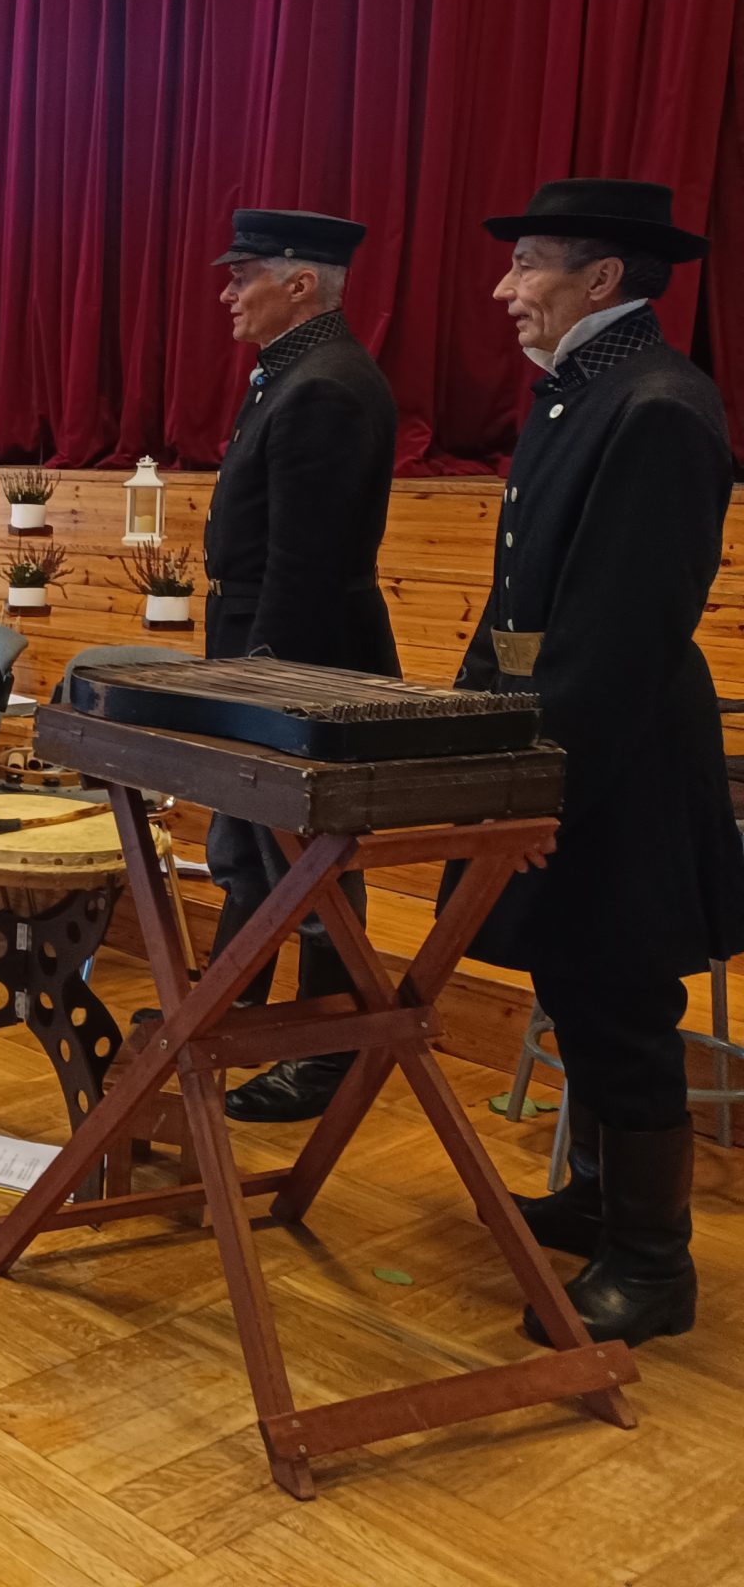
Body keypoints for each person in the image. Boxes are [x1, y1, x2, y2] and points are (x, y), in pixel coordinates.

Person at [451, 178, 741, 1351]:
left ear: (602, 278)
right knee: (574, 982)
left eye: (527, 264)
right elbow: (519, 607)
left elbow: (618, 635)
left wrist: (537, 783)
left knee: (622, 1001)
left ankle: (652, 1263)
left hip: (617, 761)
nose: (504, 289)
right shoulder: (584, 391)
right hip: (558, 736)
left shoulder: (656, 404)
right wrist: (466, 735)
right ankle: (594, 1198)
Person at [199, 210, 401, 1122]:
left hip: (298, 654)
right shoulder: (294, 373)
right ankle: (226, 1016)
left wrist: (263, 682)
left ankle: (323, 1056)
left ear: (301, 283)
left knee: (312, 861)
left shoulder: (325, 385)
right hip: (261, 639)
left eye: (242, 276)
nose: (228, 294)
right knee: (254, 849)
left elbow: (305, 565)